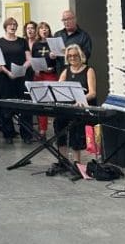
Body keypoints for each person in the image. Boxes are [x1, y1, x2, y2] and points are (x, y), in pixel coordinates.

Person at [49, 45, 97, 175]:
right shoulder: (66, 71)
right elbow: (57, 89)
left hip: (82, 106)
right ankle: (63, 161)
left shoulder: (88, 70)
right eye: (69, 56)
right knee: (59, 123)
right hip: (68, 106)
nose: (72, 58)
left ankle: (77, 163)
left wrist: (81, 99)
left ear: (80, 56)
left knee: (76, 127)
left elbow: (92, 93)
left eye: (75, 55)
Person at [0, 17, 32, 143]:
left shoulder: (22, 41)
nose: (12, 26)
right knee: (6, 107)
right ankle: (8, 134)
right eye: (10, 24)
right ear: (5, 27)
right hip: (5, 77)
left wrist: (23, 68)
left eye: (15, 24)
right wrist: (8, 72)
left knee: (25, 106)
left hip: (22, 77)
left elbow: (29, 59)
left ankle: (27, 135)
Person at [30, 21, 57, 136]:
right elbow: (33, 59)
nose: (44, 30)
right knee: (41, 102)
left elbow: (60, 60)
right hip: (39, 75)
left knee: (56, 100)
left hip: (51, 74)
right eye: (41, 28)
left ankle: (58, 126)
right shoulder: (35, 45)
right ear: (38, 31)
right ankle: (42, 129)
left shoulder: (53, 43)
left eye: (46, 28)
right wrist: (36, 69)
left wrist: (53, 62)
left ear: (49, 30)